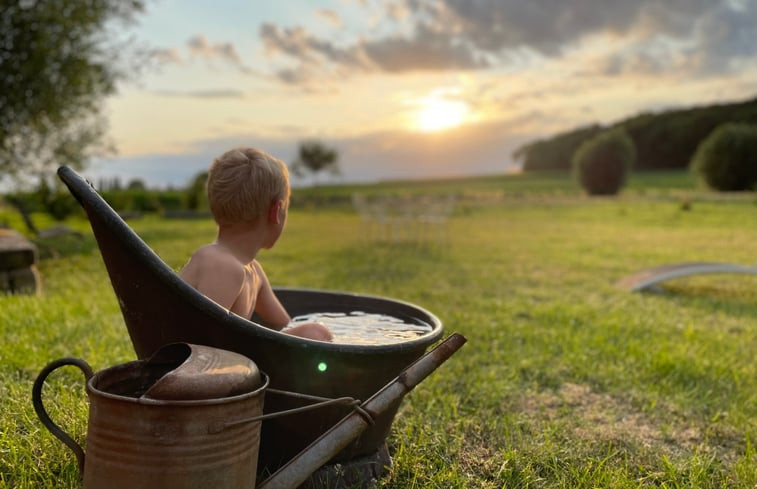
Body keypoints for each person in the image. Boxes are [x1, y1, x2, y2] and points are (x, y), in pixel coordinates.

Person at [179, 147, 333, 342]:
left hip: (229, 360)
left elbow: (285, 325)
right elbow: (202, 345)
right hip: (192, 365)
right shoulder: (220, 264)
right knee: (315, 334)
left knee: (314, 332)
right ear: (276, 211)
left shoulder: (253, 272)